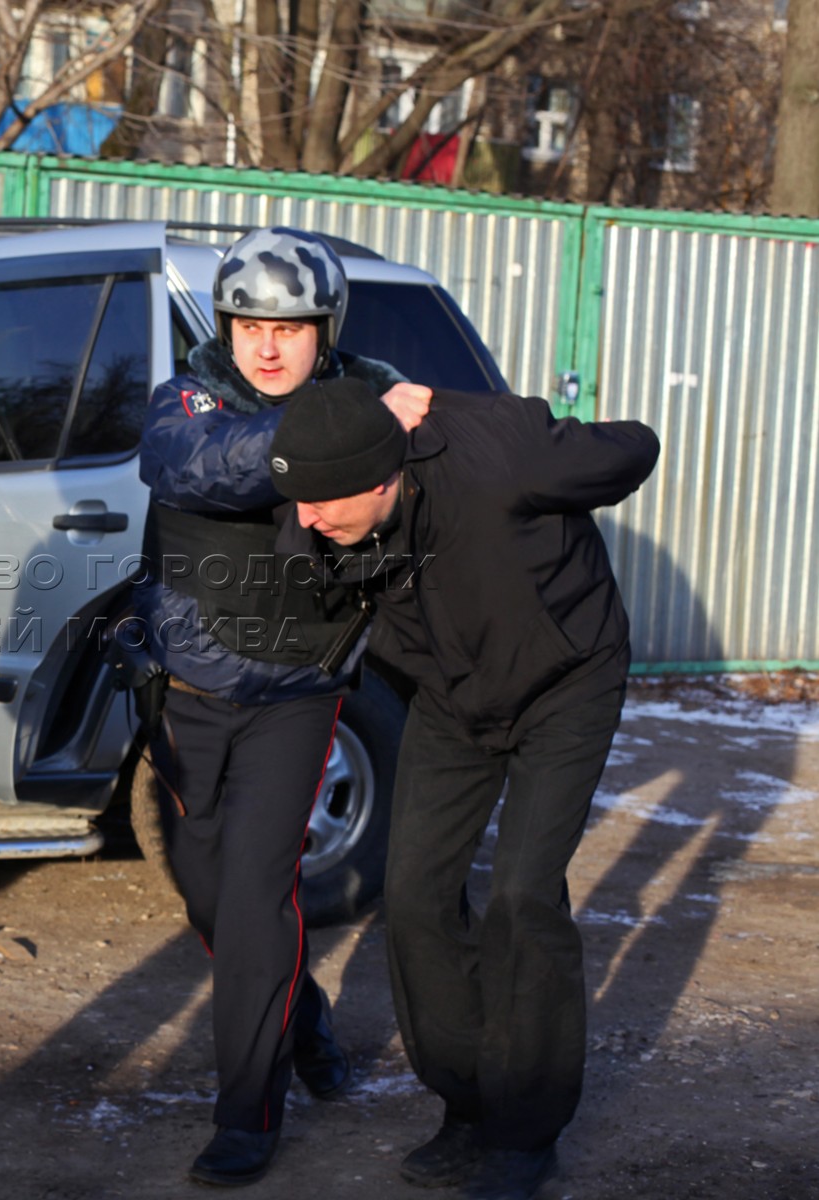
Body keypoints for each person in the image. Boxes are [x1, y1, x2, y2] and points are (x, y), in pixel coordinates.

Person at [268, 378, 659, 1200]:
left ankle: (524, 1132)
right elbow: (305, 562)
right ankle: (469, 1106)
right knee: (413, 895)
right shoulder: (323, 503)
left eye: (318, 504)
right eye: (292, 500)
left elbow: (635, 447)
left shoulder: (498, 458)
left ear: (381, 477)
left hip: (565, 681)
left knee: (522, 895)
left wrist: (452, 401)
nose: (302, 519)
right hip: (451, 695)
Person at [127, 226, 430, 1187]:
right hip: (191, 689)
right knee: (210, 893)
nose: (267, 344)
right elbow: (193, 467)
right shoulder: (189, 400)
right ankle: (299, 1015)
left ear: (324, 329)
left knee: (257, 897)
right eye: (249, 322)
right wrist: (352, 429)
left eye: (290, 327)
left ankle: (246, 1114)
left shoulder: (369, 391)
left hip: (298, 693)